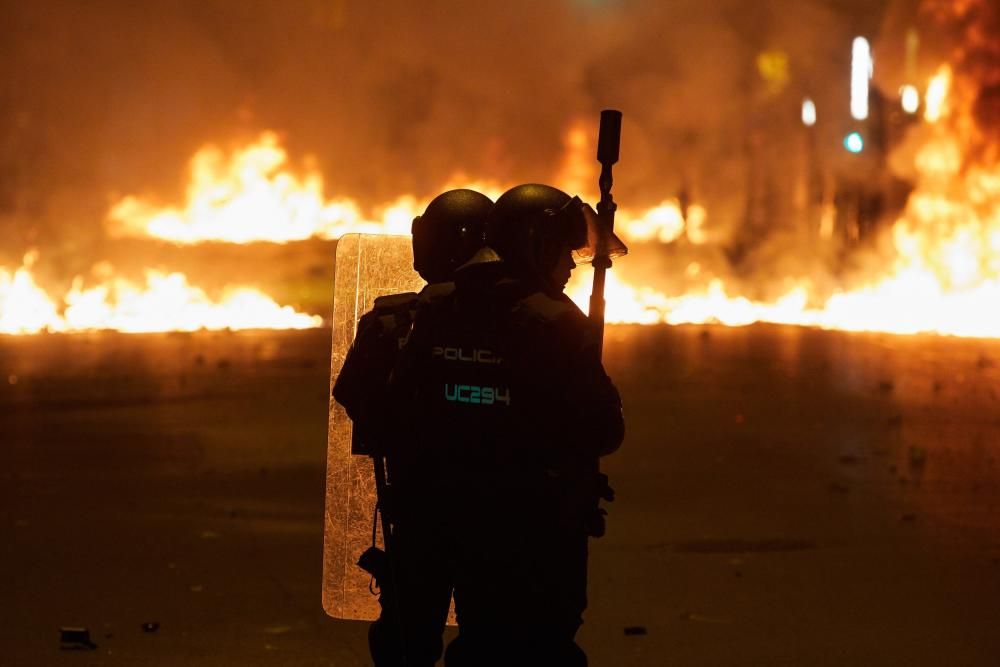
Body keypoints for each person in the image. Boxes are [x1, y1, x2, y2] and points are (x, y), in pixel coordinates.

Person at [387, 183, 625, 666]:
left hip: (432, 520)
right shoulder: (557, 323)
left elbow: (395, 407)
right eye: (564, 251)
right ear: (537, 246)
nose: (572, 266)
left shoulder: (434, 306)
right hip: (526, 534)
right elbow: (605, 430)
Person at [332, 188, 493, 667]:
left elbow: (354, 397)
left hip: (418, 508)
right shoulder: (516, 322)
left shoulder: (393, 321)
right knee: (487, 637)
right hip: (494, 513)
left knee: (406, 640)